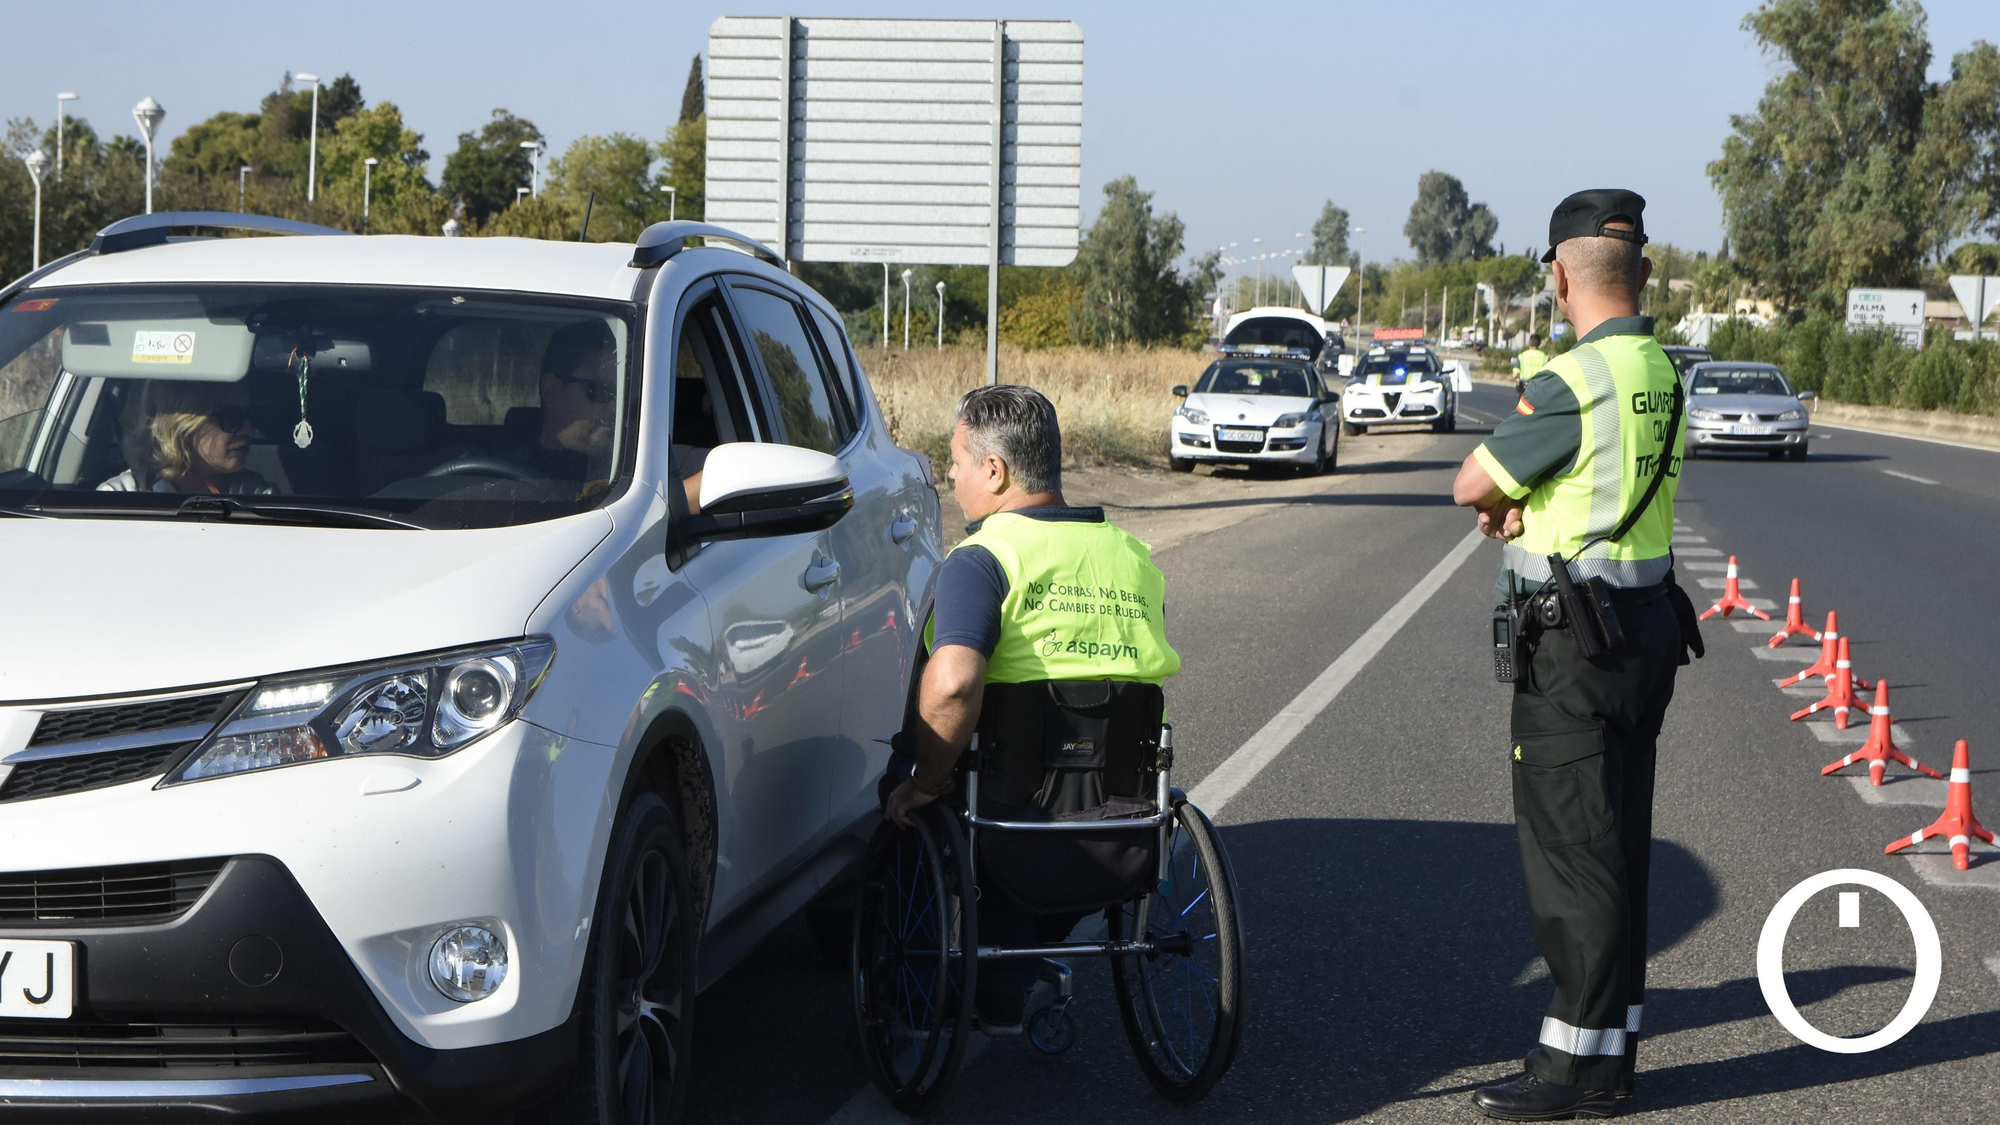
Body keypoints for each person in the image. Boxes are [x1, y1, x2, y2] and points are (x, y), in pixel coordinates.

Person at [1450, 189, 1702, 1121]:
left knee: (1571, 853)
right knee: (1620, 845)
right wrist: (1525, 502)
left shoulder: (1570, 380)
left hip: (1573, 644)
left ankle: (1574, 1071)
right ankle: (1615, 1044)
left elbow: (1469, 480)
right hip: (1648, 632)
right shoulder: (1661, 373)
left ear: (1560, 275)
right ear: (1638, 274)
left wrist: (1499, 502)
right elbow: (1597, 486)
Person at [883, 384, 1179, 1034]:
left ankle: (916, 1001)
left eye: (957, 458)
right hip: (1119, 827)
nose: (952, 473)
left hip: (1011, 820)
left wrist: (924, 779)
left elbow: (956, 683)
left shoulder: (984, 559)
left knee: (910, 784)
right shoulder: (1133, 557)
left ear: (995, 469)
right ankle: (1015, 972)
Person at [526, 320, 707, 510]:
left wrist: (659, 512)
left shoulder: (643, 457)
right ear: (552, 390)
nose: (616, 406)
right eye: (602, 390)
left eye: (624, 394)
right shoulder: (501, 463)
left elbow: (734, 468)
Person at [98, 379, 277, 495]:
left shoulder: (258, 496)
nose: (248, 428)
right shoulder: (119, 496)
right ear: (182, 424)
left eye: (251, 415)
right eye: (232, 417)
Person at [1513, 333, 1548, 397]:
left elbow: (1515, 374)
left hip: (1525, 386)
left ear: (1529, 343)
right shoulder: (1544, 357)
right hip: (1539, 386)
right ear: (1539, 344)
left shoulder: (1522, 356)